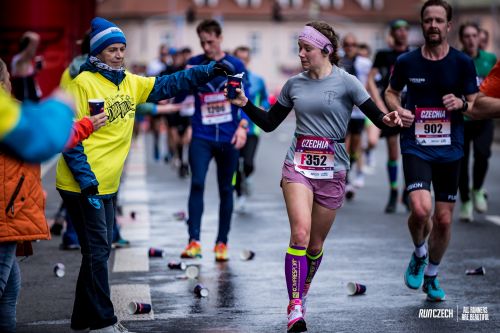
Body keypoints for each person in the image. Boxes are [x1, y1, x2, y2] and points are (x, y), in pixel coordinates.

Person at [55, 17, 230, 333]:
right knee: (98, 252)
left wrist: (208, 71)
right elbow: (68, 138)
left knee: (96, 252)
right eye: (112, 49)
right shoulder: (82, 84)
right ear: (97, 52)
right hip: (83, 184)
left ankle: (83, 321)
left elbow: (167, 84)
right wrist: (87, 181)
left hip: (105, 184)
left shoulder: (129, 82)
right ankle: (105, 322)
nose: (119, 55)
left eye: (122, 48)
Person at [227, 21, 401, 332]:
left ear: (326, 50)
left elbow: (379, 119)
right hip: (298, 166)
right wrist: (244, 105)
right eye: (300, 48)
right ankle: (294, 304)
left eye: (306, 48)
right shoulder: (294, 85)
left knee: (315, 246)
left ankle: (303, 291)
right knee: (300, 235)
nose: (301, 54)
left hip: (332, 169)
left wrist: (392, 119)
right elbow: (269, 123)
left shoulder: (348, 83)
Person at [385, 0, 479, 302]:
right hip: (416, 145)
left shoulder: (463, 63)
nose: (434, 26)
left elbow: (475, 103)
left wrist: (462, 105)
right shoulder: (407, 62)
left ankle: (432, 275)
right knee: (421, 209)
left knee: (443, 220)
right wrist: (399, 110)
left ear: (449, 25)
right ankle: (419, 252)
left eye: (440, 20)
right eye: (429, 21)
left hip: (450, 148)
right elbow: (390, 92)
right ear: (422, 24)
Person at [0, 56, 97, 333]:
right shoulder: (9, 112)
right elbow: (43, 137)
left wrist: (87, 125)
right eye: (7, 78)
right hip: (6, 213)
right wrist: (60, 104)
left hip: (9, 212)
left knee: (9, 291)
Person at [179, 19, 249, 262]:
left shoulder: (236, 64)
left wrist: (242, 127)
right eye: (202, 42)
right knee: (197, 183)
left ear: (220, 38)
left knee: (225, 189)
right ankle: (194, 241)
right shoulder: (196, 64)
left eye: (210, 41)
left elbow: (246, 100)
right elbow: (178, 95)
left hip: (229, 138)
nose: (207, 46)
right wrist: (184, 77)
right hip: (201, 135)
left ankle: (221, 243)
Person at [366, 19, 411, 213]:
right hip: (391, 107)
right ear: (393, 33)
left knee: (410, 154)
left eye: (405, 30)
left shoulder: (414, 54)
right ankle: (393, 192)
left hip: (411, 109)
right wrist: (380, 103)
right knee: (393, 152)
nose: (402, 33)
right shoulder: (384, 55)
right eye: (398, 30)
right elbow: (370, 79)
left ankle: (407, 193)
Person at [458, 22, 497, 222]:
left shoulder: (490, 59)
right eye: (467, 36)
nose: (471, 39)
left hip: (483, 117)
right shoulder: (456, 59)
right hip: (462, 118)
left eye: (474, 35)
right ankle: (465, 201)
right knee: (462, 163)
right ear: (462, 39)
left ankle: (477, 189)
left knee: (483, 154)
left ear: (479, 37)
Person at [233, 45, 270, 212]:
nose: (242, 61)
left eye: (245, 59)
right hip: (232, 128)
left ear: (248, 60)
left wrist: (262, 107)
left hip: (252, 129)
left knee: (248, 163)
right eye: (238, 58)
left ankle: (247, 176)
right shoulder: (230, 80)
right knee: (234, 165)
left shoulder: (257, 80)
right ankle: (239, 195)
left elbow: (265, 101)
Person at [10, 31, 43, 102]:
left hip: (33, 97)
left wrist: (36, 70)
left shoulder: (30, 59)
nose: (35, 49)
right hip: (25, 100)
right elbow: (24, 78)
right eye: (34, 46)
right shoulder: (19, 60)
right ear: (28, 46)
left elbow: (29, 76)